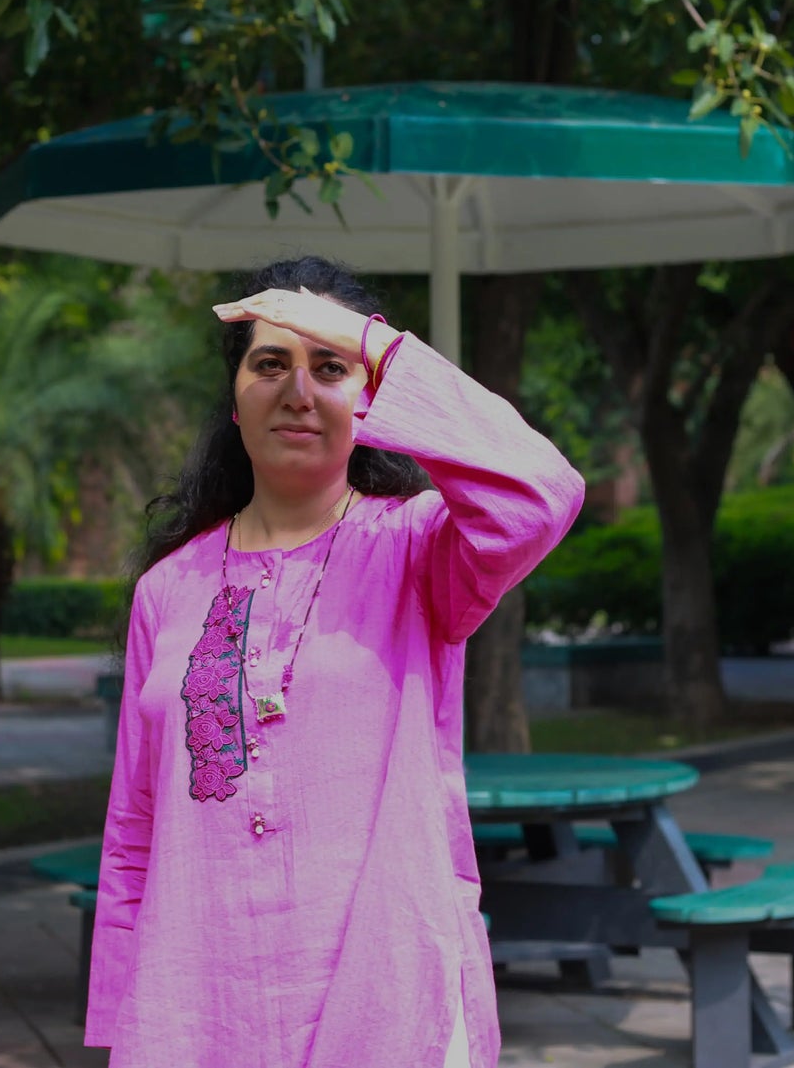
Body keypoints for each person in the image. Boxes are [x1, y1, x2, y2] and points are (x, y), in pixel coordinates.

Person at [86, 255, 585, 1068]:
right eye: (270, 363)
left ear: (367, 398)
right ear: (236, 400)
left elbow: (541, 493)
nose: (299, 389)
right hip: (200, 1007)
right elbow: (133, 829)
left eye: (329, 368)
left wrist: (371, 342)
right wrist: (123, 1021)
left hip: (386, 995)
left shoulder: (420, 548)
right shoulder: (167, 590)